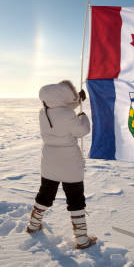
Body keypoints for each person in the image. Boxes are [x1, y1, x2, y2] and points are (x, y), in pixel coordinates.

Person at [26, 80, 97, 249]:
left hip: (50, 161)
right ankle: (81, 239)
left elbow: (61, 113)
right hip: (69, 162)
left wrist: (77, 103)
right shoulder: (66, 114)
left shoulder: (43, 112)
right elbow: (82, 131)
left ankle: (33, 225)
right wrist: (83, 116)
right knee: (75, 198)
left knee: (45, 193)